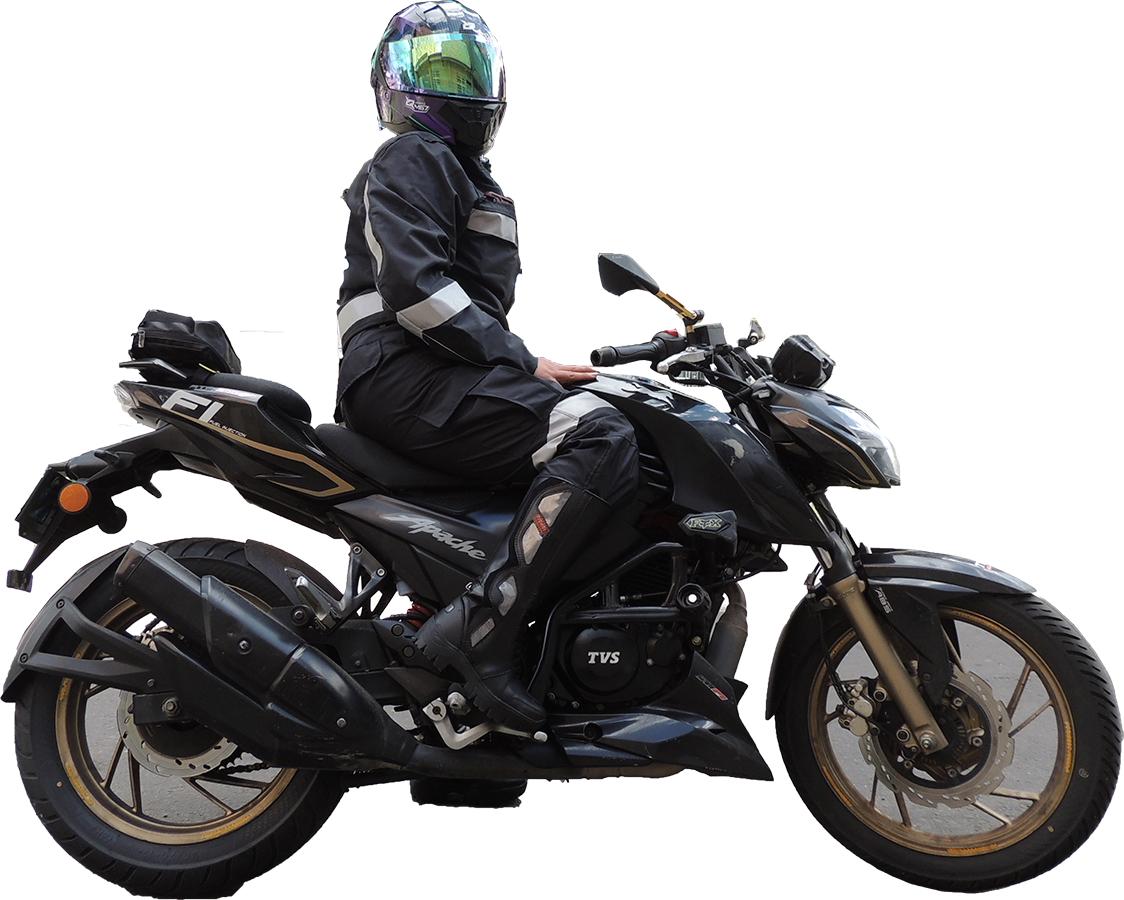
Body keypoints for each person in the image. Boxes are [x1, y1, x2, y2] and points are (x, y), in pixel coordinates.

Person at [334, 1, 639, 736]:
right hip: (399, 372)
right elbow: (417, 291)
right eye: (439, 71)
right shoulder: (414, 155)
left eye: (469, 71)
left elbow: (464, 307)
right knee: (598, 435)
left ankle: (474, 712)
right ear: (398, 84)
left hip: (424, 374)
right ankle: (482, 633)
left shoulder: (458, 172)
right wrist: (525, 361)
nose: (459, 86)